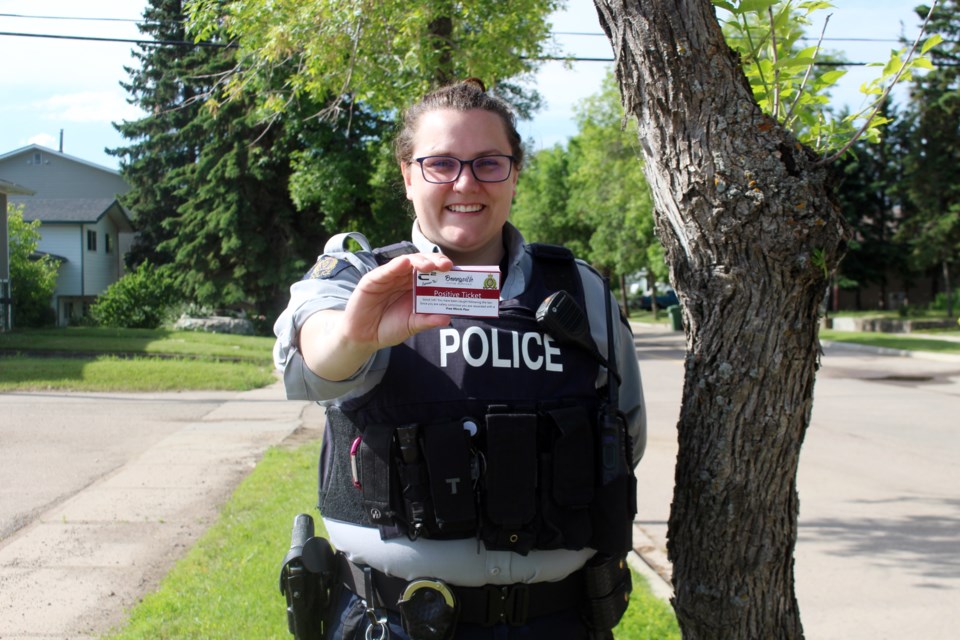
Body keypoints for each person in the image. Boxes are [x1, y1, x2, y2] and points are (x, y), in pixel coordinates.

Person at [274, 78, 646, 640]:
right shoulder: (357, 279)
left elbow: (626, 436)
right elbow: (317, 359)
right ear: (407, 175)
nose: (465, 182)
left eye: (488, 163)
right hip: (393, 623)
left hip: (559, 622)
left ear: (515, 174)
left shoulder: (581, 290)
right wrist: (358, 333)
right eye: (440, 163)